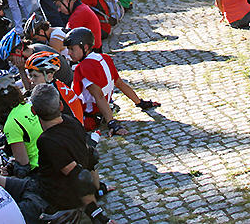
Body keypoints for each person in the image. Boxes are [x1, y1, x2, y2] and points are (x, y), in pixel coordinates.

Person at [29, 83, 116, 224]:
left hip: (58, 201)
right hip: (69, 192)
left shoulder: (47, 141)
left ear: (33, 111)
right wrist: (98, 187)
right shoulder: (72, 122)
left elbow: (78, 176)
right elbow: (90, 156)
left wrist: (98, 216)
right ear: (61, 106)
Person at [64, 27, 159, 134]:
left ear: (85, 47)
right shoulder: (105, 58)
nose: (69, 53)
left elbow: (99, 96)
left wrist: (112, 123)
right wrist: (139, 102)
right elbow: (120, 83)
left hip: (89, 118)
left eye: (72, 49)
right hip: (102, 111)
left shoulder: (83, 68)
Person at [26, 52, 84, 124]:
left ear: (49, 76)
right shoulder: (55, 85)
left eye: (35, 76)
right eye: (30, 76)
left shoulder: (52, 93)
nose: (31, 80)